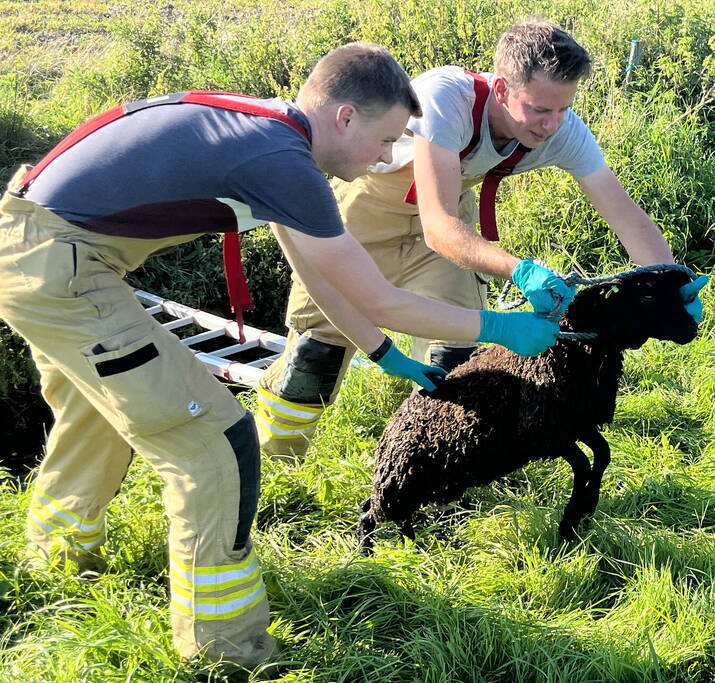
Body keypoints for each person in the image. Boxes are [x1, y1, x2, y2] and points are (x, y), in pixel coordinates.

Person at [0, 42, 560, 671]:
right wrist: (500, 327)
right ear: (345, 117)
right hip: (66, 269)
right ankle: (227, 653)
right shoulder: (281, 161)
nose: (387, 158)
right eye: (385, 140)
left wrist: (383, 354)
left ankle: (57, 562)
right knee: (216, 444)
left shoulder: (269, 136)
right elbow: (380, 297)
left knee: (98, 414)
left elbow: (321, 279)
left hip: (37, 246)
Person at [256, 20, 707, 457]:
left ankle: (431, 468)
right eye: (539, 109)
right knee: (314, 359)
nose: (552, 125)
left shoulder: (561, 131)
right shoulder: (446, 98)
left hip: (448, 227)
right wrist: (520, 270)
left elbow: (627, 217)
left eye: (563, 109)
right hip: (365, 217)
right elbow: (437, 226)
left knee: (454, 357)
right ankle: (277, 464)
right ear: (503, 89)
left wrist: (672, 282)